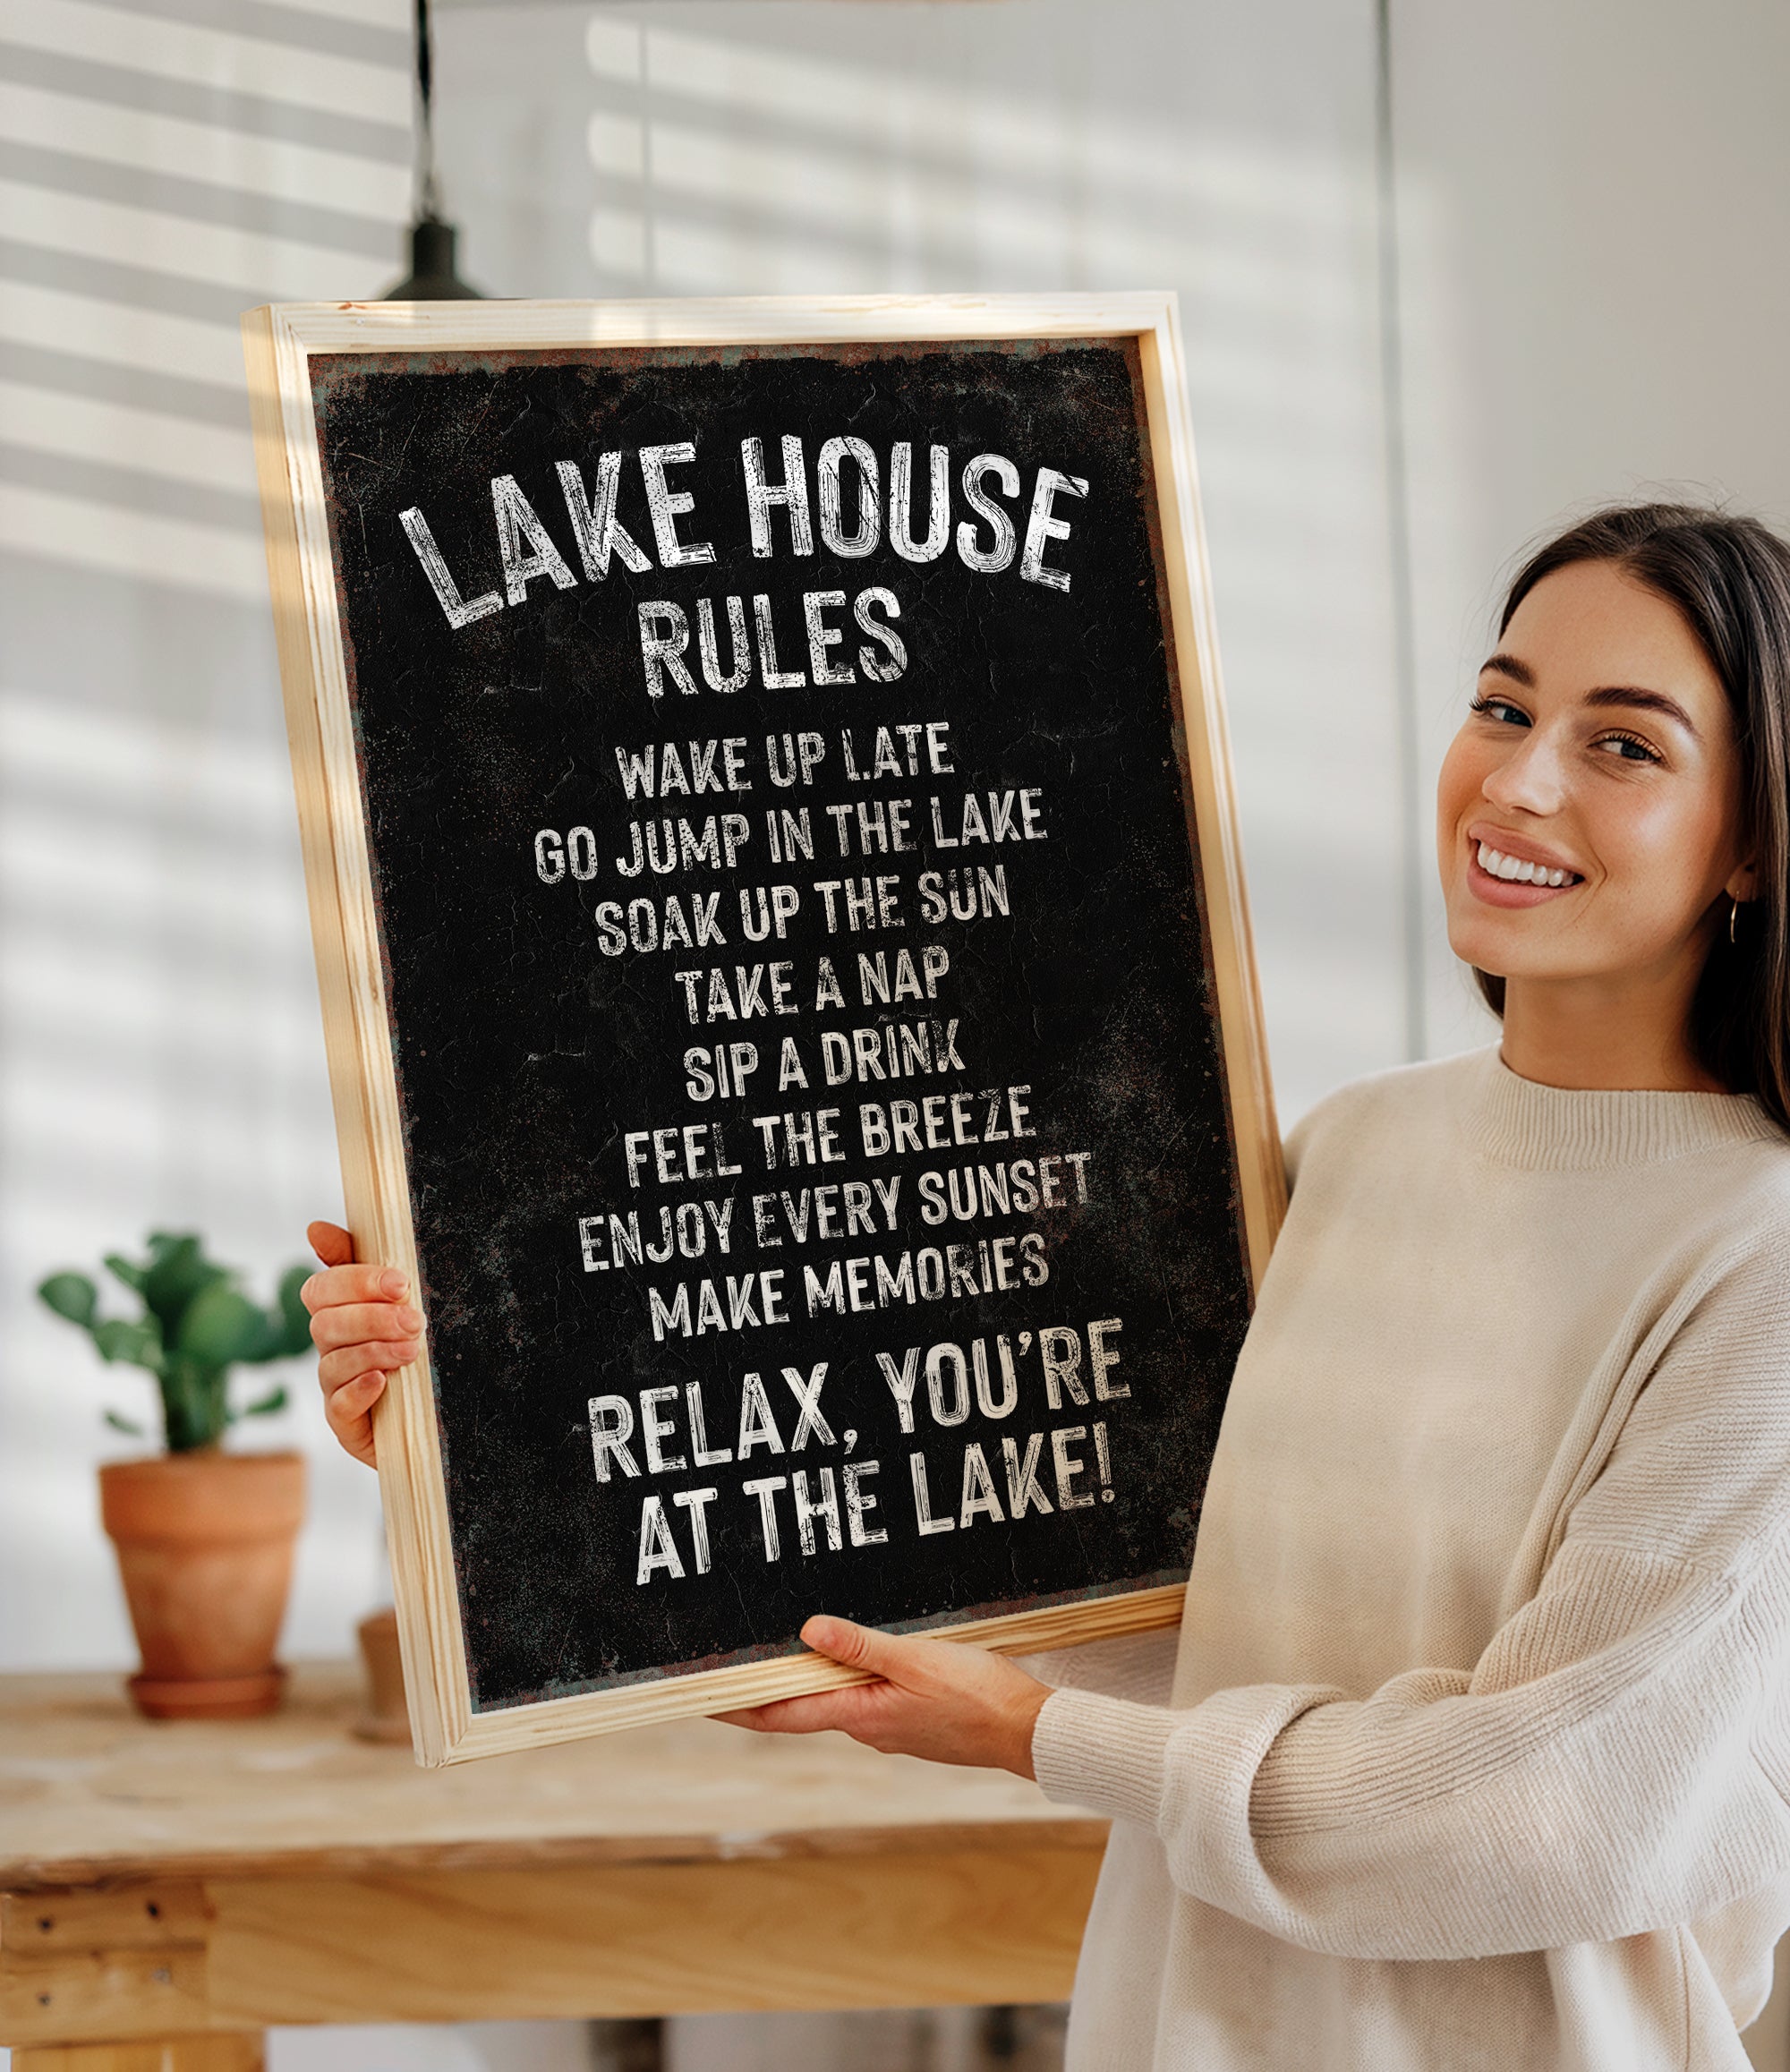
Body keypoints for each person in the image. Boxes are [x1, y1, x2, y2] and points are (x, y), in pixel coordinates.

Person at [304, 502, 1790, 2070]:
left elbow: (1547, 1808)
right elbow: (1149, 1589)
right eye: (1502, 706)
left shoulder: (1756, 1252)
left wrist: (1032, 1738)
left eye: (1624, 746)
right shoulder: (1349, 1157)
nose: (1519, 778)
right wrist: (498, 1452)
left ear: (1755, 833)